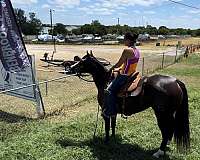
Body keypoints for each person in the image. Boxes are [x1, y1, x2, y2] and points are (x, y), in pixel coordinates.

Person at [102, 32, 140, 118]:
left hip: (125, 75)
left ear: (128, 40)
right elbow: (128, 63)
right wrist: (119, 69)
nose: (123, 41)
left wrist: (111, 68)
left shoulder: (127, 50)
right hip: (132, 73)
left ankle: (110, 111)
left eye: (124, 39)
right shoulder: (136, 50)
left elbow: (119, 63)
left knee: (109, 91)